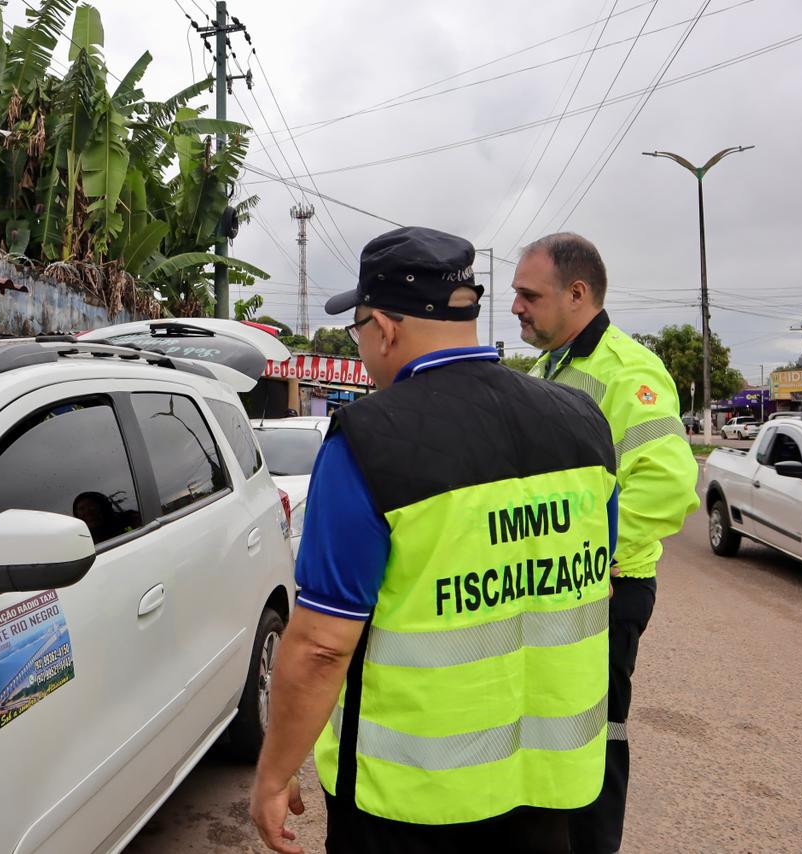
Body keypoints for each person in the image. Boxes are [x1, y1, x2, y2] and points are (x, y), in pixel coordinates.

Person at [250, 226, 620, 854]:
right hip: (552, 785)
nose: (362, 345)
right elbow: (582, 577)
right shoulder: (584, 422)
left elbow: (319, 647)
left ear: (386, 328)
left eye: (359, 328)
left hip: (412, 803)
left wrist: (272, 773)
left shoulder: (368, 440)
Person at [511, 232, 700, 854]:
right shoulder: (546, 369)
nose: (516, 306)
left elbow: (667, 486)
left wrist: (589, 561)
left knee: (594, 737)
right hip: (554, 586)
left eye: (527, 295)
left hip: (607, 589)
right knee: (545, 730)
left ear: (577, 292)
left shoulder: (629, 370)